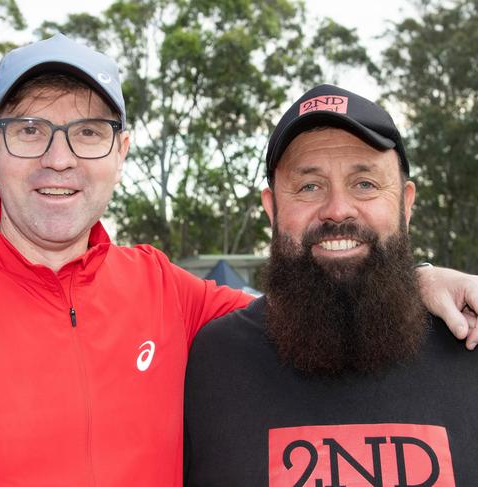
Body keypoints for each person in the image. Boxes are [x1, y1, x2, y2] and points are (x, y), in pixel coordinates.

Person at [0, 36, 474, 486]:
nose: (59, 158)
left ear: (120, 152)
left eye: (88, 132)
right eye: (29, 130)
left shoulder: (170, 295)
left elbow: (317, 295)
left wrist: (416, 277)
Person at [184, 84, 478, 486]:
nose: (338, 209)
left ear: (406, 204)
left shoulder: (468, 343)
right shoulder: (210, 361)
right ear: (272, 208)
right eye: (309, 186)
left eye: (365, 184)